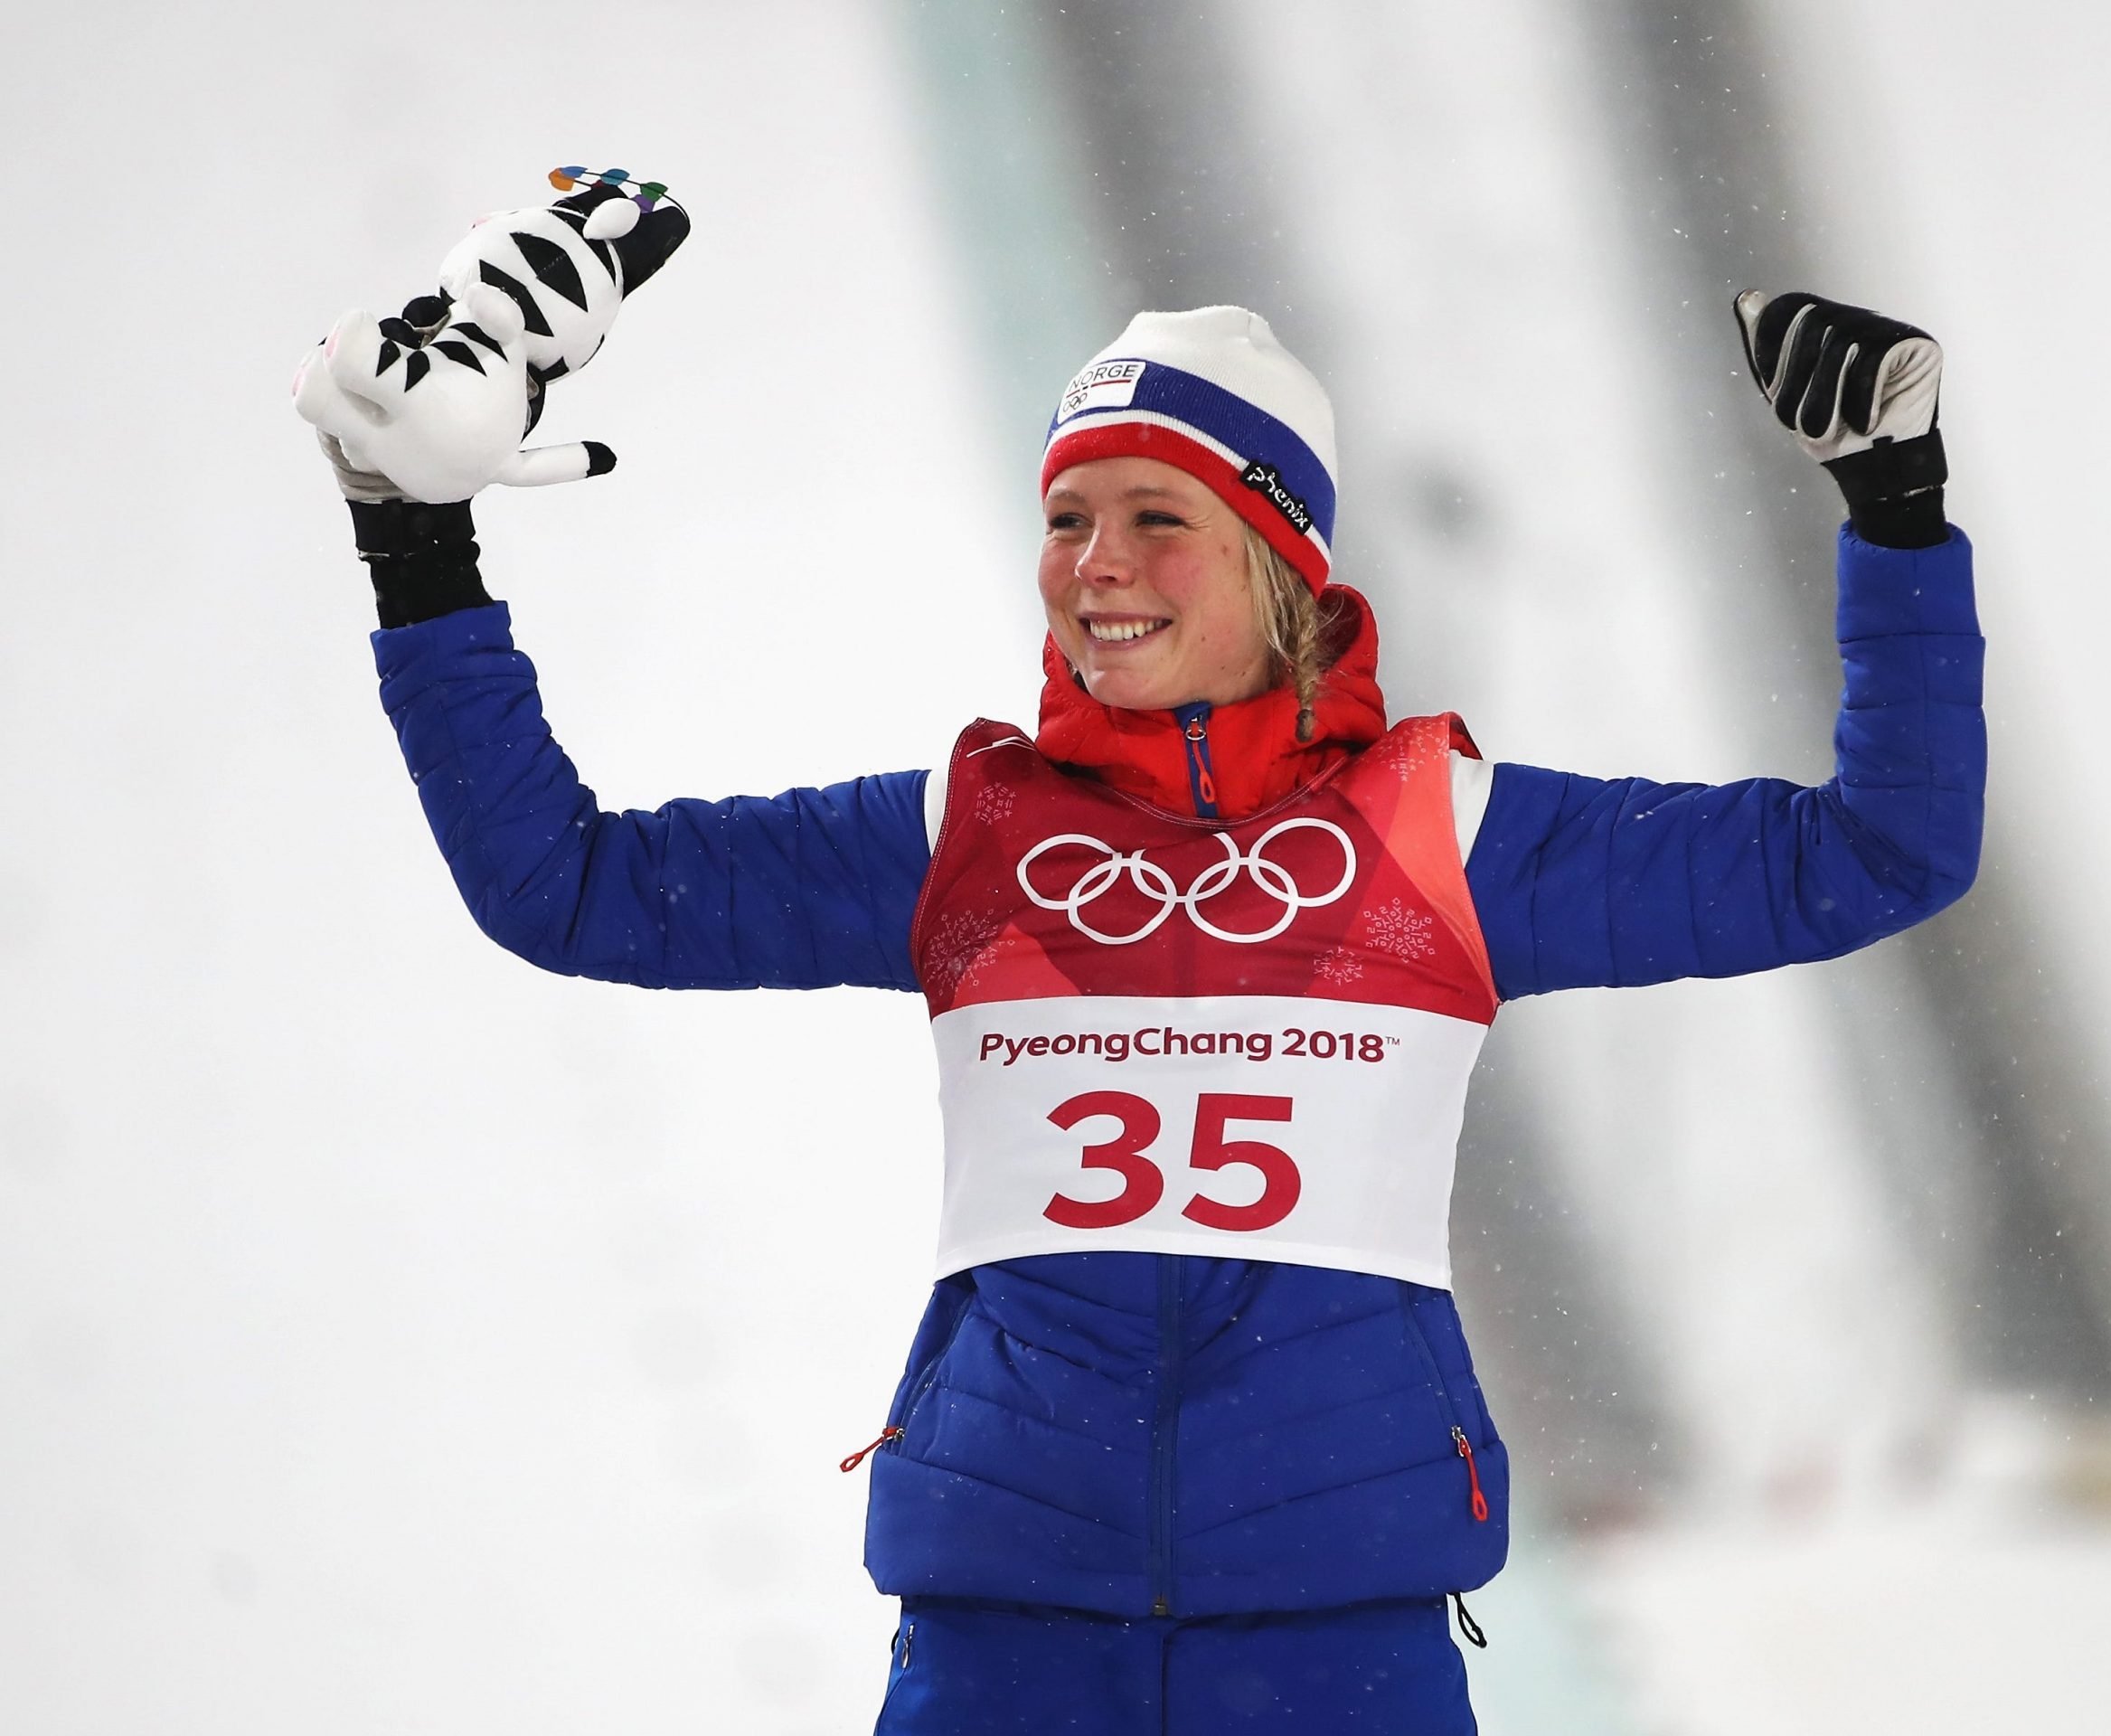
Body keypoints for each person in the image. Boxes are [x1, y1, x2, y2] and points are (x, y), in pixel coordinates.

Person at [318, 264, 1983, 1729]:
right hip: (1005, 1641)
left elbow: (1879, 854)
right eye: (1064, 517)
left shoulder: (1445, 834)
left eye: (1154, 517)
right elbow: (570, 887)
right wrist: (415, 540)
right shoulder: (963, 835)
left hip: (1340, 1643)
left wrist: (1895, 512)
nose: (1093, 563)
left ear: (1276, 559)